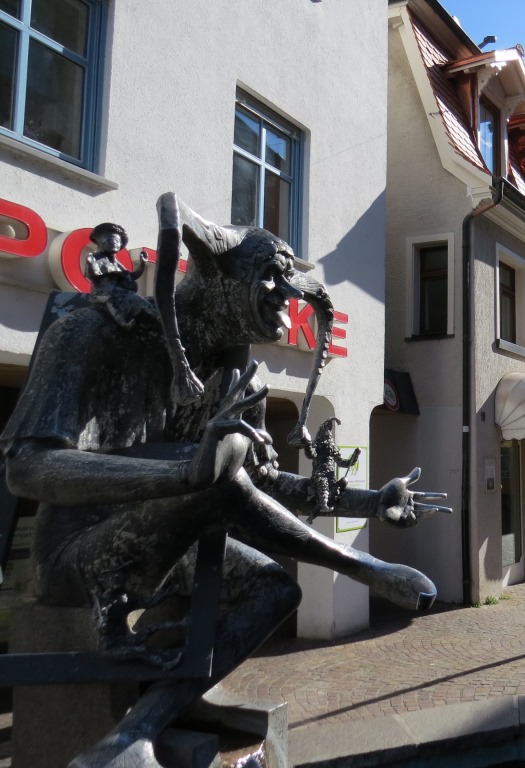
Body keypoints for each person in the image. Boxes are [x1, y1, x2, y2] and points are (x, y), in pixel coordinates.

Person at [1, 194, 447, 768]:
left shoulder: (241, 379)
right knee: (217, 479)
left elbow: (261, 484)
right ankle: (362, 566)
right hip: (78, 555)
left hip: (180, 542)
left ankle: (132, 733)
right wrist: (183, 473)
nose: (287, 294)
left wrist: (372, 501)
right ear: (218, 278)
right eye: (272, 275)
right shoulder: (94, 331)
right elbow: (28, 468)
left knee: (273, 587)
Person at [85, 222, 155, 329]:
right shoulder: (96, 258)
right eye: (109, 240)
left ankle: (154, 315)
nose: (114, 243)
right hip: (103, 293)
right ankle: (123, 322)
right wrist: (91, 264)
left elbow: (132, 276)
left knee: (137, 299)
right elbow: (93, 275)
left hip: (120, 292)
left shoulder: (116, 263)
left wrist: (142, 264)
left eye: (117, 241)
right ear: (99, 242)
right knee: (114, 300)